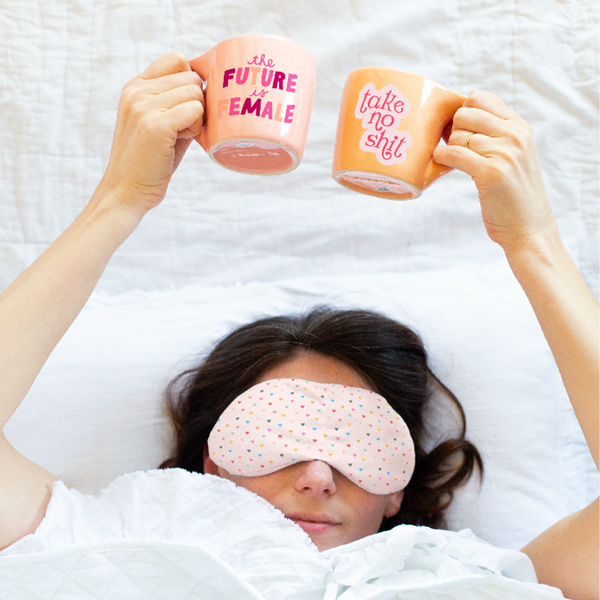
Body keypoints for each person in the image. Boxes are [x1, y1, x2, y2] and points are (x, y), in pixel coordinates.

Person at [0, 53, 597, 600]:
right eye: (278, 431)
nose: (317, 477)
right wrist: (120, 198)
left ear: (398, 486)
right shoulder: (108, 533)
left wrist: (533, 242)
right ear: (213, 458)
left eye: (359, 443)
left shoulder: (479, 576)